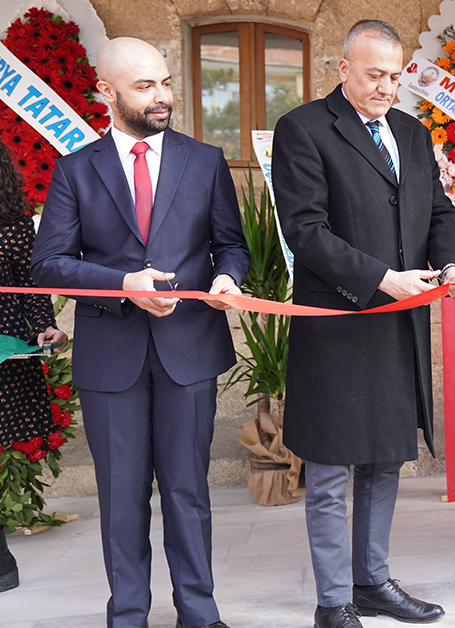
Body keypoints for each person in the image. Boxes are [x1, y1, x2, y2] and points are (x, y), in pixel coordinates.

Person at [31, 38, 249, 628]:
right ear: (106, 92)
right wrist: (123, 281)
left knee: (187, 492)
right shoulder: (75, 170)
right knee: (121, 499)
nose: (162, 97)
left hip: (190, 350)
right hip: (111, 356)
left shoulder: (204, 160)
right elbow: (48, 263)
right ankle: (127, 615)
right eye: (145, 86)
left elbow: (232, 245)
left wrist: (229, 277)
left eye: (166, 83)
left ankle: (199, 615)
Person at [271, 20, 455, 628]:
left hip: (398, 327)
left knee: (386, 460)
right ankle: (333, 602)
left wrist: (449, 264)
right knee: (332, 470)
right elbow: (306, 232)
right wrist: (384, 278)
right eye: (374, 74)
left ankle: (372, 583)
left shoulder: (412, 134)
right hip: (337, 327)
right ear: (343, 68)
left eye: (395, 75)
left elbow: (440, 212)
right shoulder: (303, 129)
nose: (387, 87)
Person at [0, 145, 67, 594]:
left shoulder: (16, 223)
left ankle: (1, 558)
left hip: (4, 352)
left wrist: (46, 327)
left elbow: (31, 285)